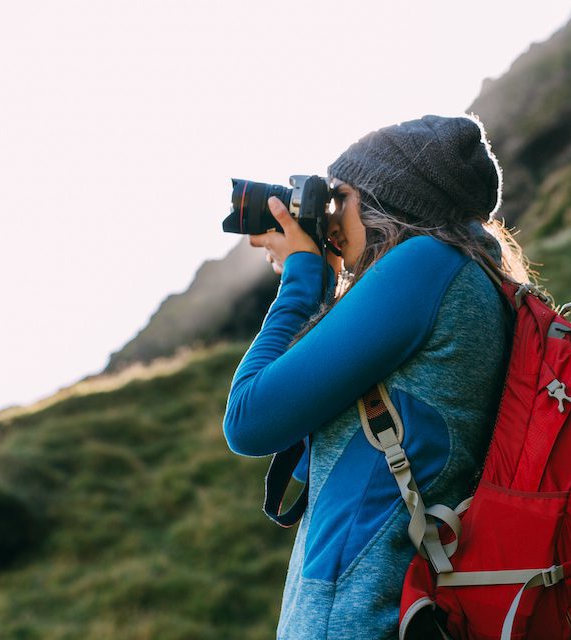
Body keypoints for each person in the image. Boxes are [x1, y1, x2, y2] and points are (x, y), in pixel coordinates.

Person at [223, 114, 534, 639]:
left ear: (387, 199)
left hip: (354, 620)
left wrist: (302, 282)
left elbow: (248, 419)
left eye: (338, 197)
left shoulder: (426, 265)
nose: (329, 216)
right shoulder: (471, 278)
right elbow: (323, 462)